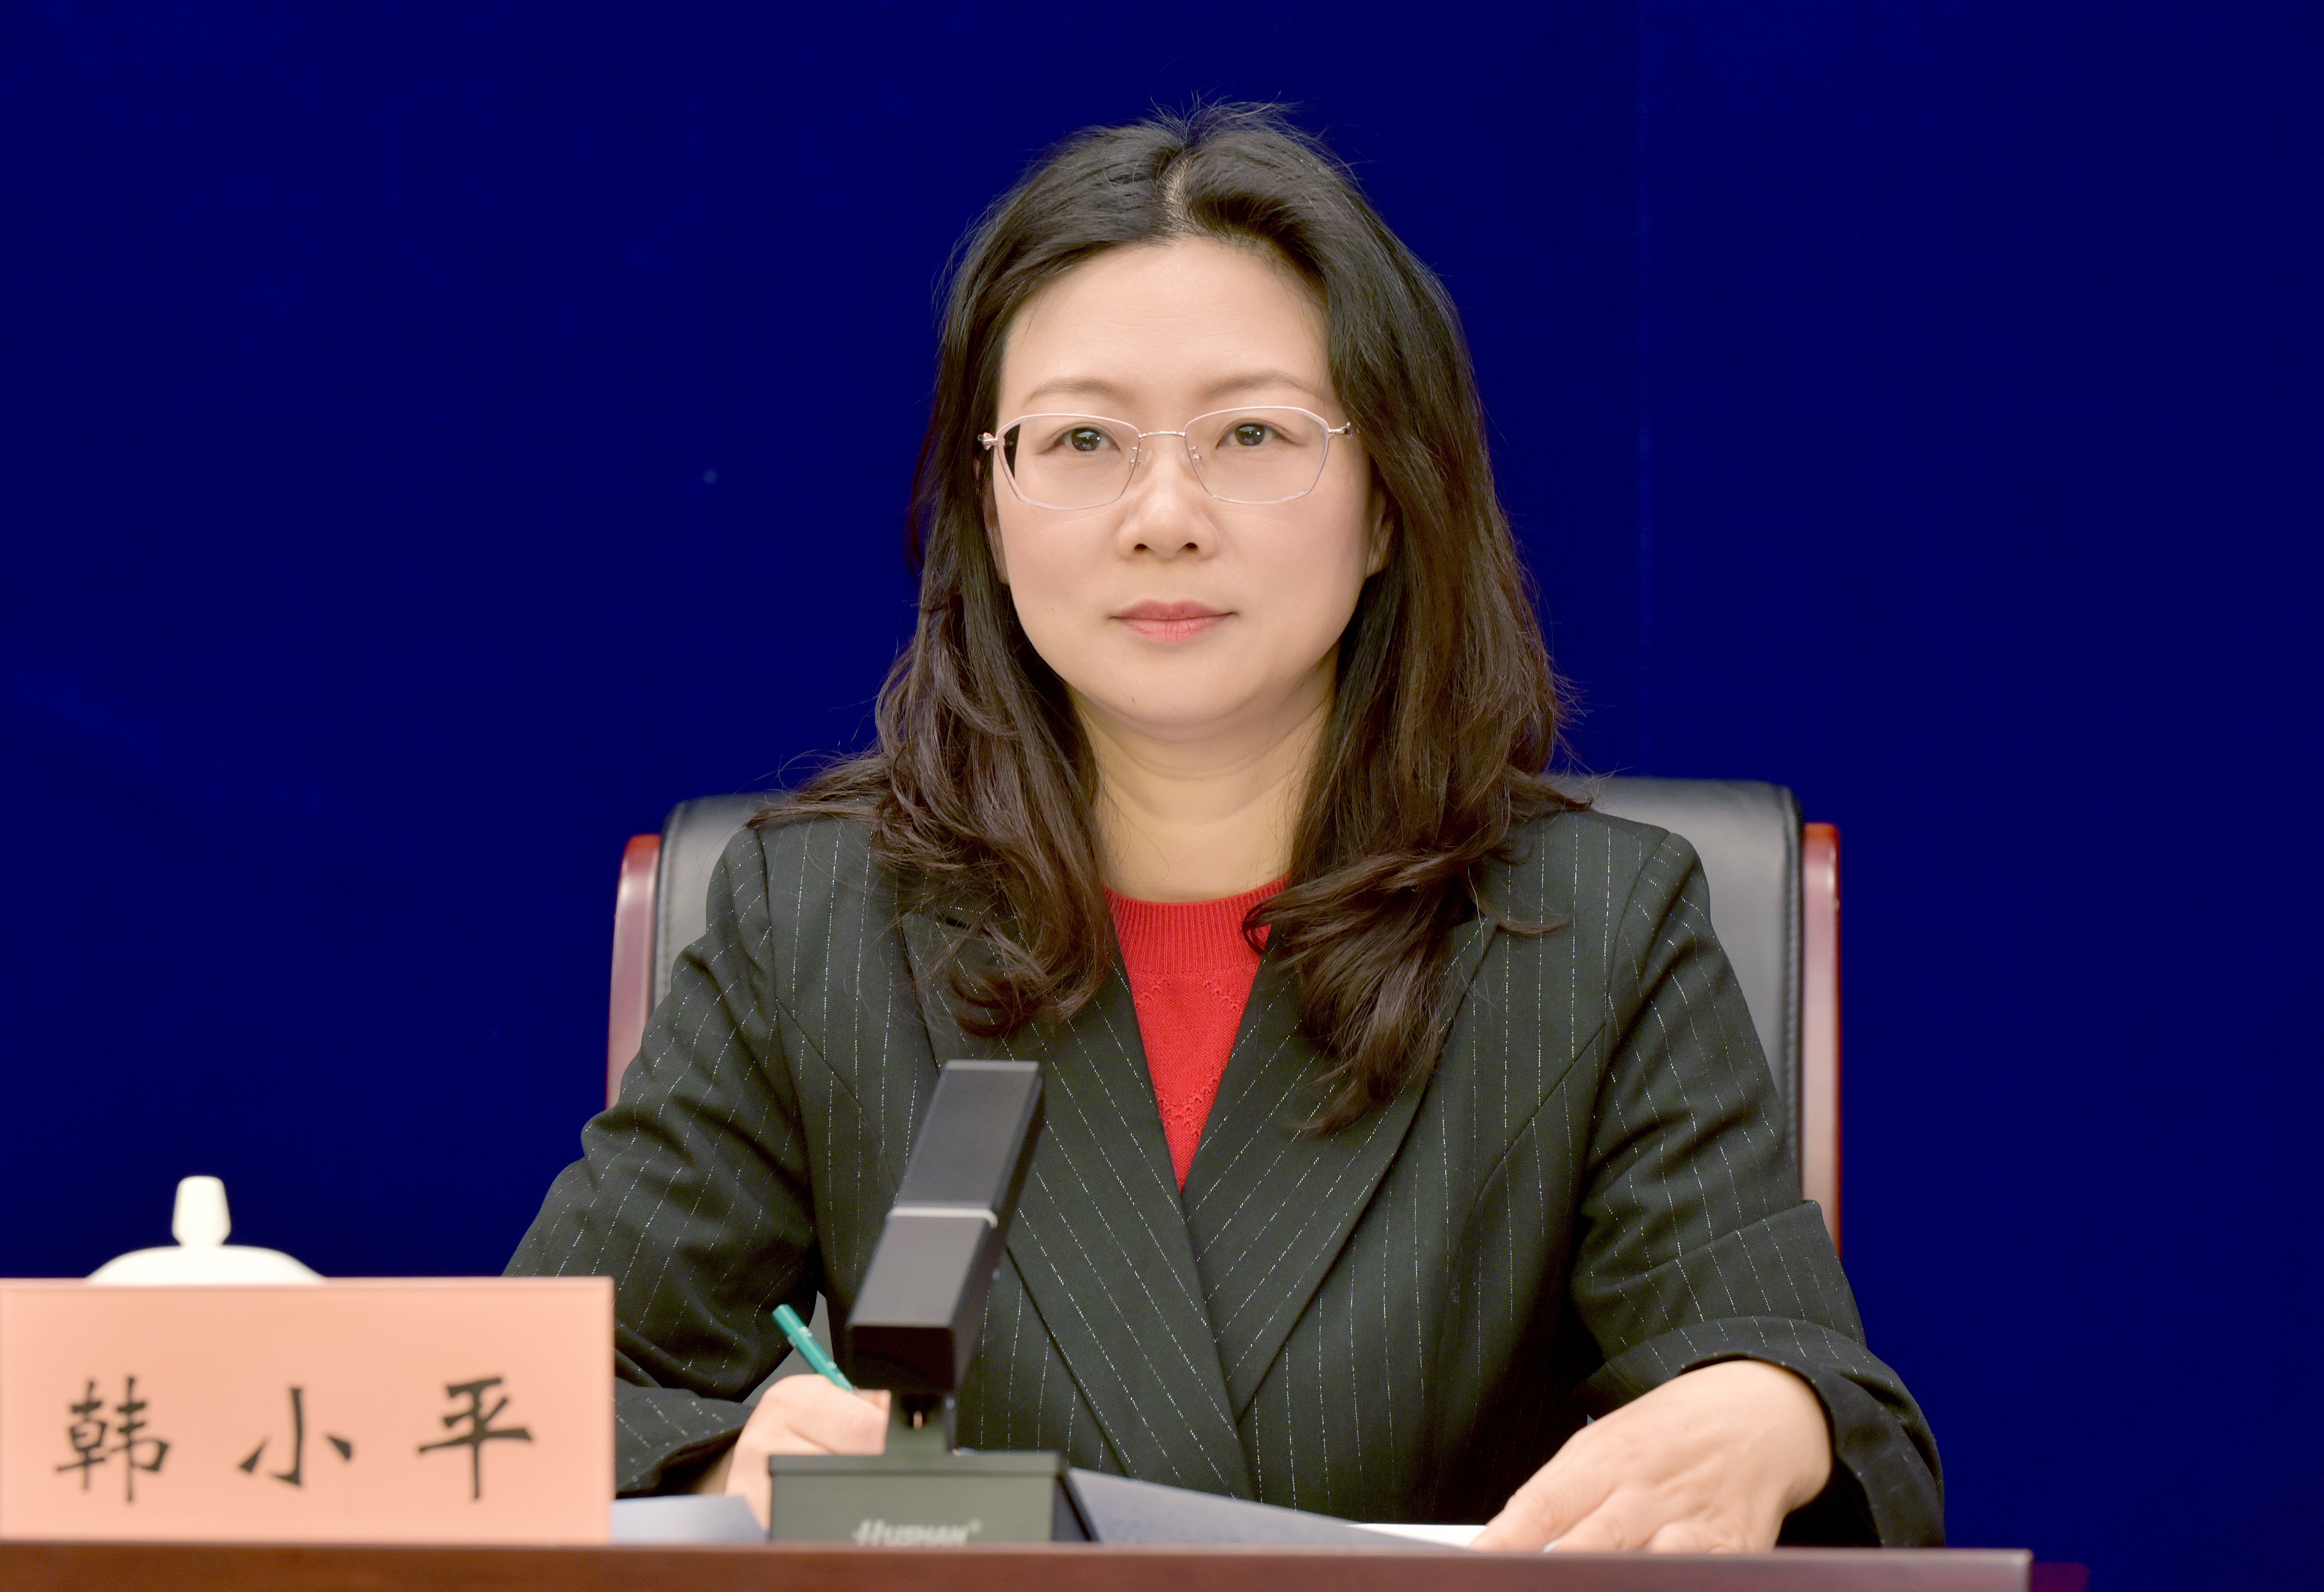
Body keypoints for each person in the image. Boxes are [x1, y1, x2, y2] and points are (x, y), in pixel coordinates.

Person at [508, 104, 1942, 1551]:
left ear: (1389, 503)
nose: (1164, 515)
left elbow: (1808, 1387)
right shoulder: (814, 920)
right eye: (1082, 439)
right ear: (992, 513)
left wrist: (1768, 1417)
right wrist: (722, 1474)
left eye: (1253, 433)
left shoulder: (1596, 930)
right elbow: (536, 1403)